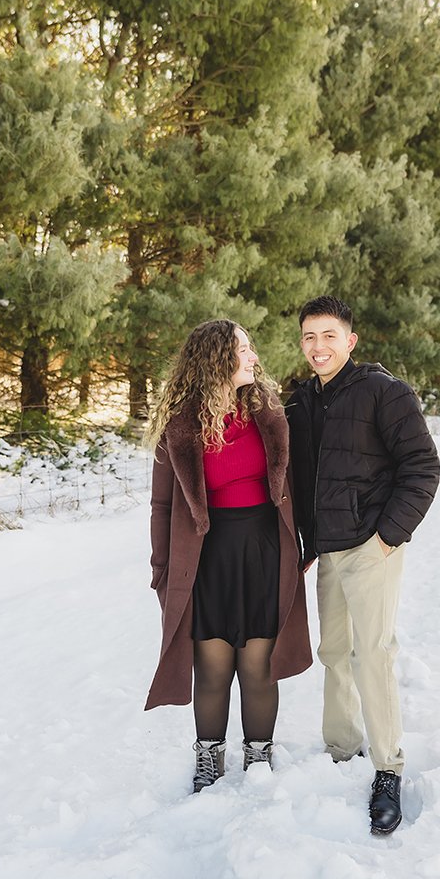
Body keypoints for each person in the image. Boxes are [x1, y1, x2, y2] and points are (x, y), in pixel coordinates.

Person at [286, 296, 440, 835]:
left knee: (371, 654)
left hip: (372, 546)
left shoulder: (385, 392)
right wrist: (305, 546)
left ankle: (387, 767)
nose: (318, 346)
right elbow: (301, 482)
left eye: (329, 335)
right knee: (333, 652)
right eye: (309, 336)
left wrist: (388, 536)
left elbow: (422, 466)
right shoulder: (301, 403)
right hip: (328, 548)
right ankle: (341, 747)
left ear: (350, 341)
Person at [144, 319, 312, 793]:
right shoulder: (180, 426)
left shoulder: (268, 413)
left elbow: (298, 484)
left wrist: (310, 541)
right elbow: (161, 505)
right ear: (217, 358)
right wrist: (162, 571)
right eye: (243, 348)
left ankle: (259, 760)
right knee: (213, 667)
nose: (253, 357)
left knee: (259, 664)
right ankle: (209, 761)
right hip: (207, 556)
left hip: (264, 549)